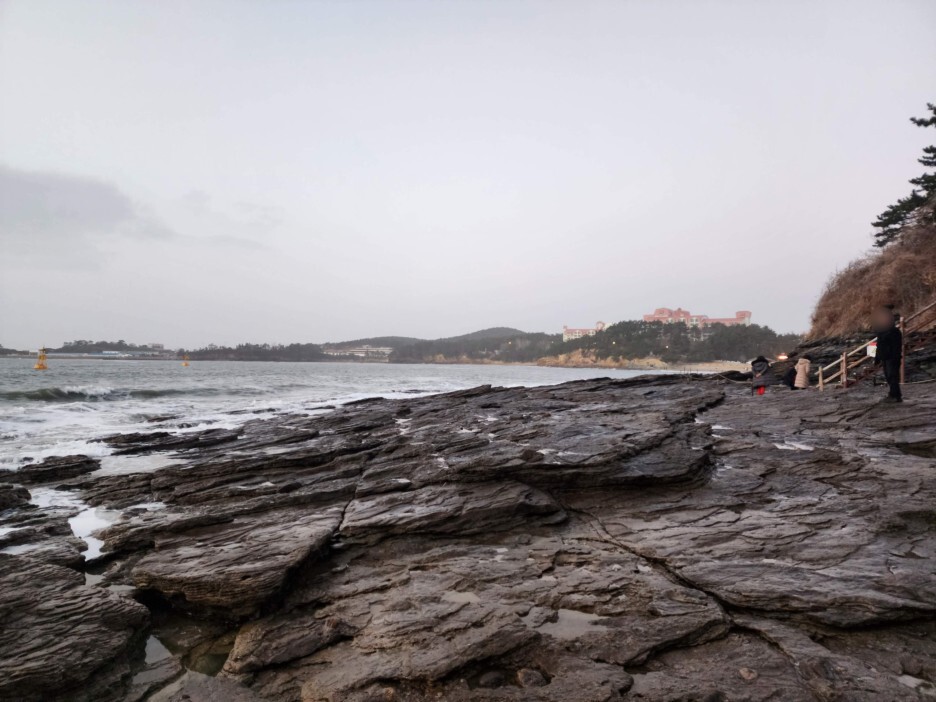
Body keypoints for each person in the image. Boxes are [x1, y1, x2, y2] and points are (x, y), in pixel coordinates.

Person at [873, 306, 903, 403]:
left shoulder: (894, 332)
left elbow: (897, 346)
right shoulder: (881, 332)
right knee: (888, 376)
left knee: (892, 376)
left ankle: (896, 395)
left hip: (892, 357)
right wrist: (877, 359)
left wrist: (895, 357)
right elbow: (878, 346)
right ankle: (892, 393)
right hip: (885, 357)